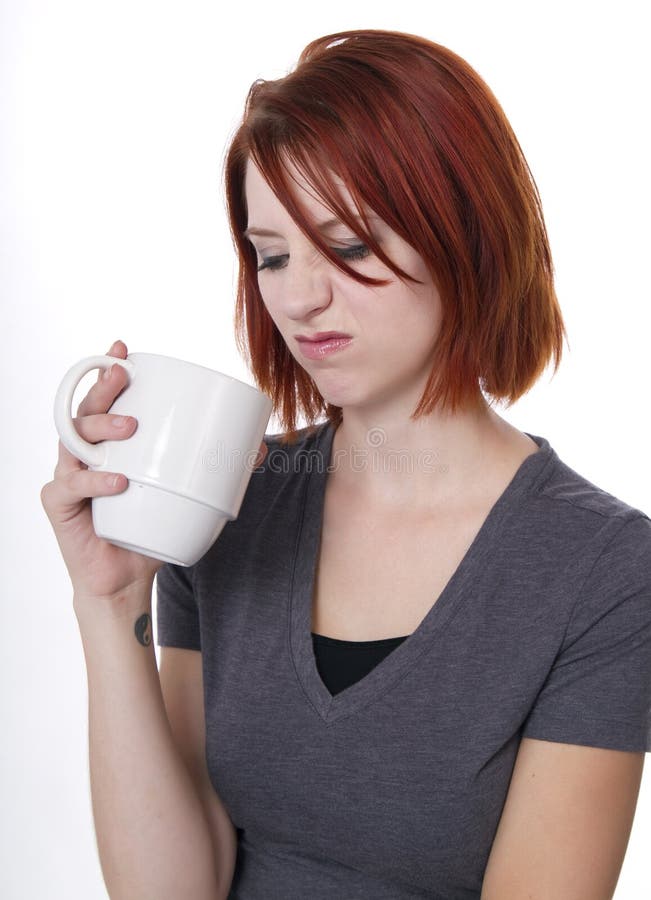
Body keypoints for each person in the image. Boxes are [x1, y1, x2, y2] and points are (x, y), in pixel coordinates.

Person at [41, 29, 651, 900]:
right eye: (273, 254)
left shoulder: (604, 572)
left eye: (351, 246)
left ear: (466, 235)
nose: (297, 296)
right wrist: (109, 609)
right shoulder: (229, 507)